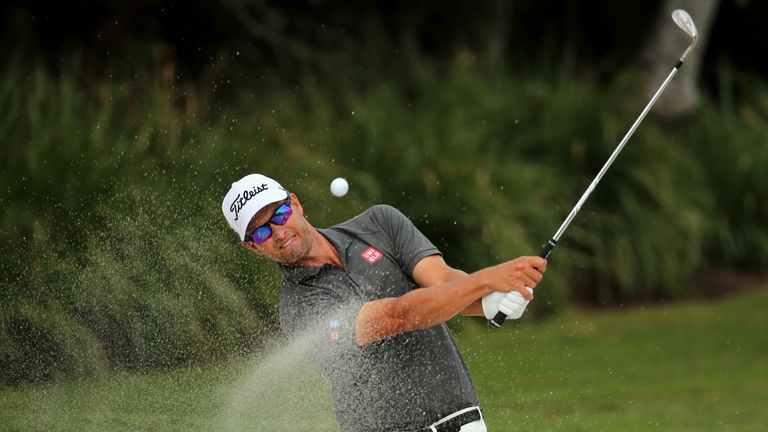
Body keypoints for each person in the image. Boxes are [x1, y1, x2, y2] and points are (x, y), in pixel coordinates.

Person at [222, 173, 547, 432]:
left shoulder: (379, 224)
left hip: (465, 419)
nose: (277, 232)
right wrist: (488, 280)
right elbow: (398, 316)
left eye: (278, 214)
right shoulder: (299, 309)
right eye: (260, 232)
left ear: (295, 203)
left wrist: (487, 300)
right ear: (252, 247)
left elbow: (443, 283)